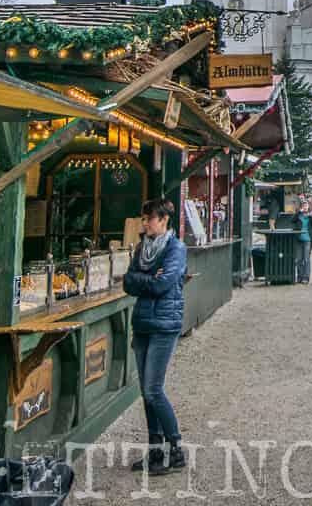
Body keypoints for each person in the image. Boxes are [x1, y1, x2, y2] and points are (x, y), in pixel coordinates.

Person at [122, 199, 188, 473]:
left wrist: (144, 279)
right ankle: (156, 452)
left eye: (149, 219)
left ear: (163, 220)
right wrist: (147, 278)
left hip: (164, 324)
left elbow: (162, 284)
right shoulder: (142, 248)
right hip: (143, 324)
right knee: (146, 393)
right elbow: (127, 281)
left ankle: (176, 449)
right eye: (144, 218)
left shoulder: (176, 248)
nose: (145, 223)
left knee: (153, 389)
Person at [295, 200, 312, 284]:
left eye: (306, 205)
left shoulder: (311, 215)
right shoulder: (299, 215)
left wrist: (311, 216)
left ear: (308, 206)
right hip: (299, 239)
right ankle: (299, 276)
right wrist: (299, 212)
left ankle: (306, 277)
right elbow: (292, 220)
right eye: (303, 205)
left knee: (306, 259)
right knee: (298, 259)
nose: (305, 207)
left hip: (308, 239)